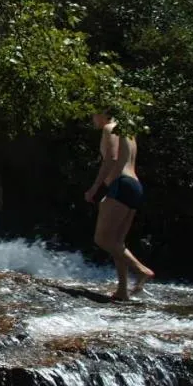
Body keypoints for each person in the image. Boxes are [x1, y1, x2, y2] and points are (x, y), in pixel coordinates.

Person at [84, 110, 154, 300]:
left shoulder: (109, 128)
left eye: (93, 114)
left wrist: (97, 188)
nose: (92, 118)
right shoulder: (128, 131)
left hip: (120, 184)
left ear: (103, 113)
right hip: (134, 185)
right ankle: (122, 290)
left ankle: (141, 270)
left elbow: (112, 159)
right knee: (117, 242)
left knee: (102, 239)